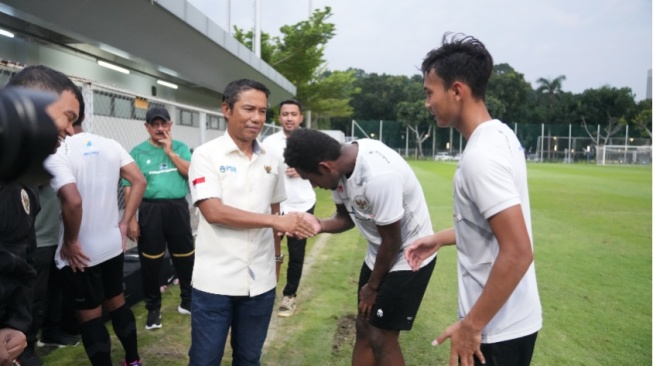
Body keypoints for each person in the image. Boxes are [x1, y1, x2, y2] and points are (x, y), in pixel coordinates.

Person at [405, 33, 542, 366]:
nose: (426, 103)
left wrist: (472, 325)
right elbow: (494, 228)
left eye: (429, 92)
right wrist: (438, 238)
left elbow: (519, 250)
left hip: (495, 329)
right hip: (512, 320)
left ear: (456, 91)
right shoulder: (502, 135)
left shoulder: (481, 156)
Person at [187, 79, 316, 365]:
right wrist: (276, 222)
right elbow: (214, 212)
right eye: (248, 109)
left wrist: (277, 258)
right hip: (215, 283)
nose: (257, 118)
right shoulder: (205, 155)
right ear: (226, 109)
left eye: (262, 111)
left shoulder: (272, 157)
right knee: (204, 359)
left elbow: (275, 206)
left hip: (260, 282)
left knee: (248, 358)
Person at [283, 129, 437, 366]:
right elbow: (346, 217)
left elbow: (392, 240)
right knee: (364, 326)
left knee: (382, 335)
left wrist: (372, 287)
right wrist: (320, 224)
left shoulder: (378, 176)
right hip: (380, 252)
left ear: (325, 167)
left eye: (312, 180)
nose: (314, 186)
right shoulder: (338, 169)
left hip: (411, 254)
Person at [45, 104, 147, 366]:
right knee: (117, 303)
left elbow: (74, 201)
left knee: (90, 317)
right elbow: (139, 180)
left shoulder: (57, 151)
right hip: (112, 243)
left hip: (81, 251)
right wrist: (124, 222)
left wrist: (70, 240)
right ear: (85, 115)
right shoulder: (110, 144)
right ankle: (133, 360)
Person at [2, 65, 79, 366]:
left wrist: (15, 324)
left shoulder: (24, 177)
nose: (71, 130)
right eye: (68, 118)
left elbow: (20, 258)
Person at [123, 106, 195, 330]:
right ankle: (153, 309)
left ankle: (188, 301)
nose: (160, 128)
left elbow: (191, 173)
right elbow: (128, 187)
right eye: (155, 124)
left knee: (185, 257)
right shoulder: (136, 152)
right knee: (151, 261)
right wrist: (132, 219)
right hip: (150, 210)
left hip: (177, 208)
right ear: (147, 127)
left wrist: (170, 152)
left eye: (164, 124)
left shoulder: (181, 148)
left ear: (170, 125)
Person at [262, 99, 317, 318]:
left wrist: (303, 170)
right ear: (279, 117)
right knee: (268, 251)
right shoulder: (269, 142)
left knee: (296, 253)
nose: (289, 118)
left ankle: (289, 296)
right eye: (285, 114)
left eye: (294, 114)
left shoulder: (311, 141)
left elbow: (322, 171)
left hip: (302, 204)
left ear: (300, 117)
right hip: (276, 205)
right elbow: (262, 169)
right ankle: (266, 291)